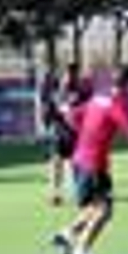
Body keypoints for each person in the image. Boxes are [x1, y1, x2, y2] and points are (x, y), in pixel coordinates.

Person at [49, 67, 128, 254]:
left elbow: (73, 117)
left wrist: (91, 135)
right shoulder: (117, 102)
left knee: (93, 208)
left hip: (80, 159)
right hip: (94, 163)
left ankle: (67, 235)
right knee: (104, 211)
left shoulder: (99, 97)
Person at [42, 64, 89, 206]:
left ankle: (78, 191)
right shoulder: (55, 92)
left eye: (73, 74)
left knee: (77, 164)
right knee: (56, 162)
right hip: (59, 131)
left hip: (76, 132)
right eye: (67, 74)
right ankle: (55, 193)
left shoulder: (82, 92)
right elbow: (48, 110)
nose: (69, 77)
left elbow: (87, 110)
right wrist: (48, 123)